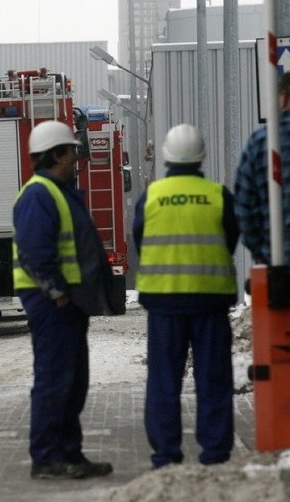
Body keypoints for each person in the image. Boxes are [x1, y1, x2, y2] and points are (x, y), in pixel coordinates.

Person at [12, 120, 115, 480]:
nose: (77, 157)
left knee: (72, 381)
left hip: (68, 304)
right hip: (52, 304)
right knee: (55, 381)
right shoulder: (39, 194)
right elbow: (34, 253)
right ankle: (46, 457)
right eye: (72, 151)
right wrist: (56, 294)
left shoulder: (59, 191)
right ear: (57, 154)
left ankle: (69, 453)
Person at [134, 123, 238, 469]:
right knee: (213, 380)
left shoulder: (151, 196)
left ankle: (165, 455)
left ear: (165, 156)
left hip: (164, 303)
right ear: (201, 157)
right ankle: (216, 454)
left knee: (164, 381)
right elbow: (230, 239)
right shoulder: (218, 195)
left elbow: (140, 240)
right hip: (210, 302)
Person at [234, 71, 290, 266]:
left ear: (283, 98)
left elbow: (243, 210)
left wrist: (264, 252)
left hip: (279, 266)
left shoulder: (261, 143)